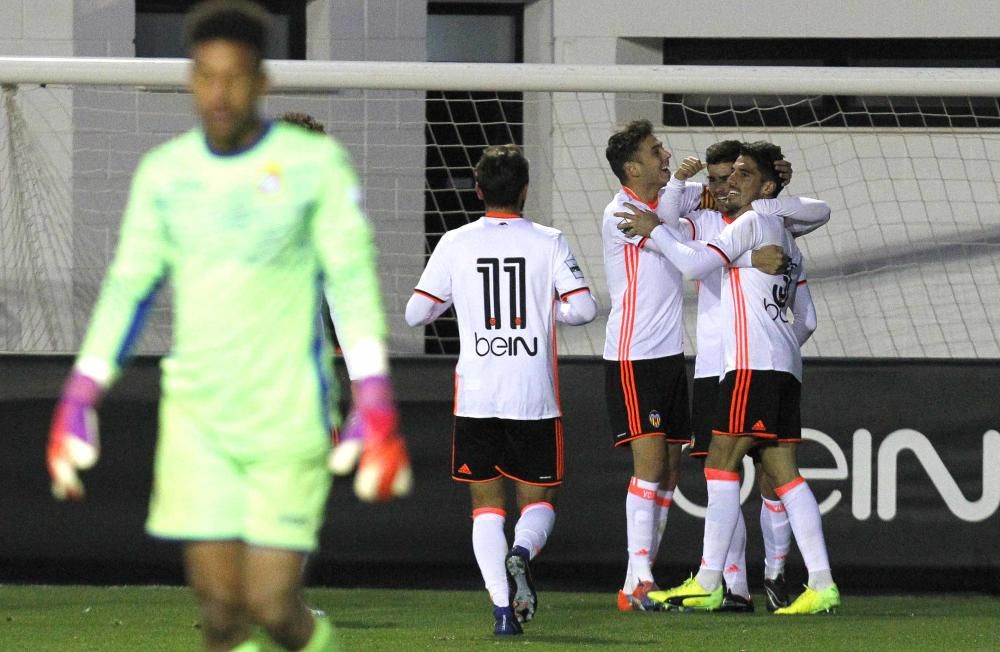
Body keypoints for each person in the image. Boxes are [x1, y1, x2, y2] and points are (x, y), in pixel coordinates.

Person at [45, 2, 411, 651]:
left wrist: (374, 396)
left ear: (261, 81)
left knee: (271, 604)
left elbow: (351, 287)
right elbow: (128, 289)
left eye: (235, 75)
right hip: (198, 418)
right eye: (205, 76)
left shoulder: (315, 171)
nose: (219, 92)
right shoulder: (165, 174)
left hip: (288, 412)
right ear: (190, 80)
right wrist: (81, 393)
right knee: (219, 612)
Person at [622, 141, 840, 615]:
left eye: (742, 174)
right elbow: (803, 317)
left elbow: (696, 264)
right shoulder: (785, 234)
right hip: (783, 366)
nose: (730, 182)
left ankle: (709, 580)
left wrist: (653, 232)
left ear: (764, 186)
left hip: (750, 366)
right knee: (785, 476)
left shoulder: (755, 219)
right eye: (728, 174)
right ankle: (821, 581)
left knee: (719, 466)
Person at [405, 144, 597, 636]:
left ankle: (503, 612)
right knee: (539, 501)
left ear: (478, 190)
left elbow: (416, 313)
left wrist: (460, 305)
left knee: (486, 506)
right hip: (532, 395)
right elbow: (583, 308)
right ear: (526, 190)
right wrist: (542, 312)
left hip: (479, 395)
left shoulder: (454, 242)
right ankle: (522, 553)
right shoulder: (549, 240)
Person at [601, 121, 788, 612]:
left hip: (673, 357)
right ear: (633, 167)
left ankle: (645, 581)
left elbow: (810, 211)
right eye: (655, 150)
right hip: (636, 355)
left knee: (676, 468)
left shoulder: (681, 208)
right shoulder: (624, 212)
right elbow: (687, 257)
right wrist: (747, 260)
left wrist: (774, 188)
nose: (666, 154)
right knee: (658, 466)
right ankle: (639, 580)